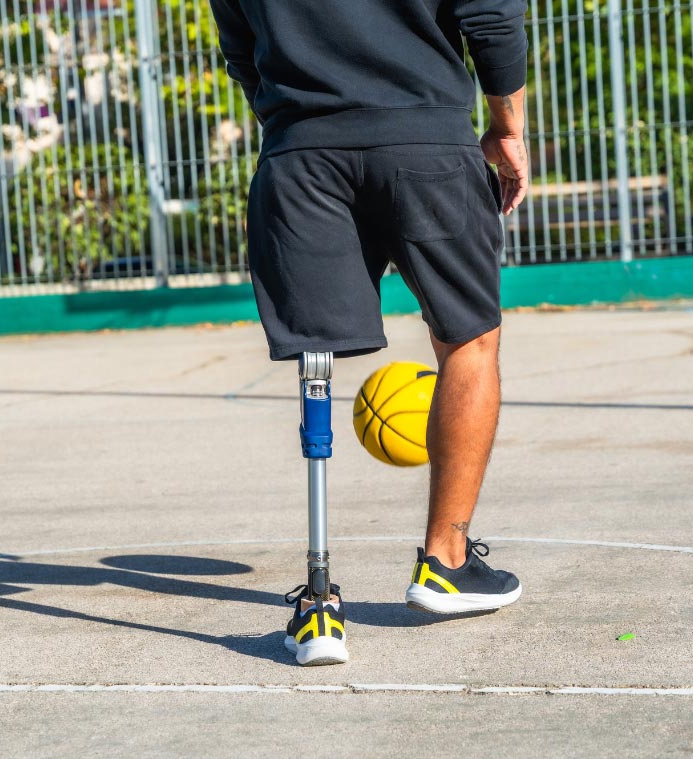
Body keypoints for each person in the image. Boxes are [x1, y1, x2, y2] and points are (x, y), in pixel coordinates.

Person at [208, 0, 531, 665]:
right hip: (425, 142)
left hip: (302, 157)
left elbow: (240, 44)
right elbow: (491, 15)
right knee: (468, 340)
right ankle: (447, 560)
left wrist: (299, 118)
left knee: (315, 357)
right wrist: (508, 126)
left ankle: (320, 602)